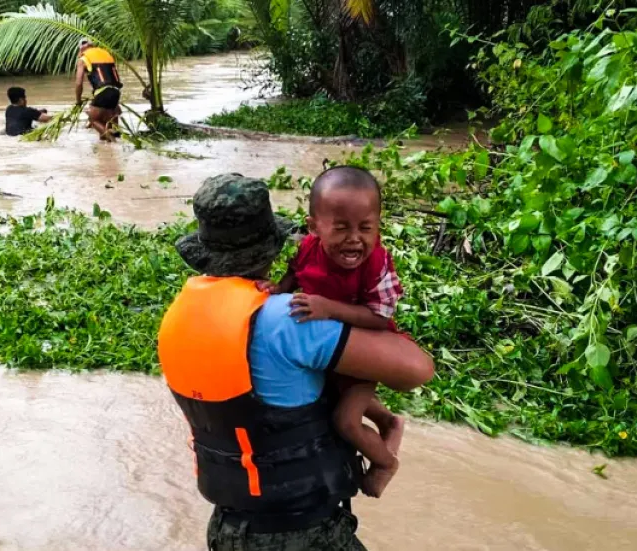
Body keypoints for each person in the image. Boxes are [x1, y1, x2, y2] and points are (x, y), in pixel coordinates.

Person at [157, 174, 434, 550]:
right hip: (301, 534)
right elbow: (417, 370)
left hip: (227, 527)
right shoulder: (287, 319)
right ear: (272, 247)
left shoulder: (179, 314)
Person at [261, 166, 405, 498]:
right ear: (314, 228)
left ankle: (385, 463)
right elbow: (294, 275)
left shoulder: (377, 263)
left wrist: (327, 307)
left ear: (378, 226)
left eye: (366, 228)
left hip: (366, 347)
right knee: (333, 397)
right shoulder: (308, 247)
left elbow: (380, 317)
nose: (355, 238)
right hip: (328, 347)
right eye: (341, 228)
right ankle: (389, 421)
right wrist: (277, 289)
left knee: (346, 422)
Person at [75, 39, 123, 141]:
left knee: (93, 119)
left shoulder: (83, 59)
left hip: (103, 92)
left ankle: (113, 141)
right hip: (115, 92)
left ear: (81, 49)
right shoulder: (105, 53)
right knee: (107, 124)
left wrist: (78, 101)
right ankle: (111, 151)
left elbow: (79, 83)